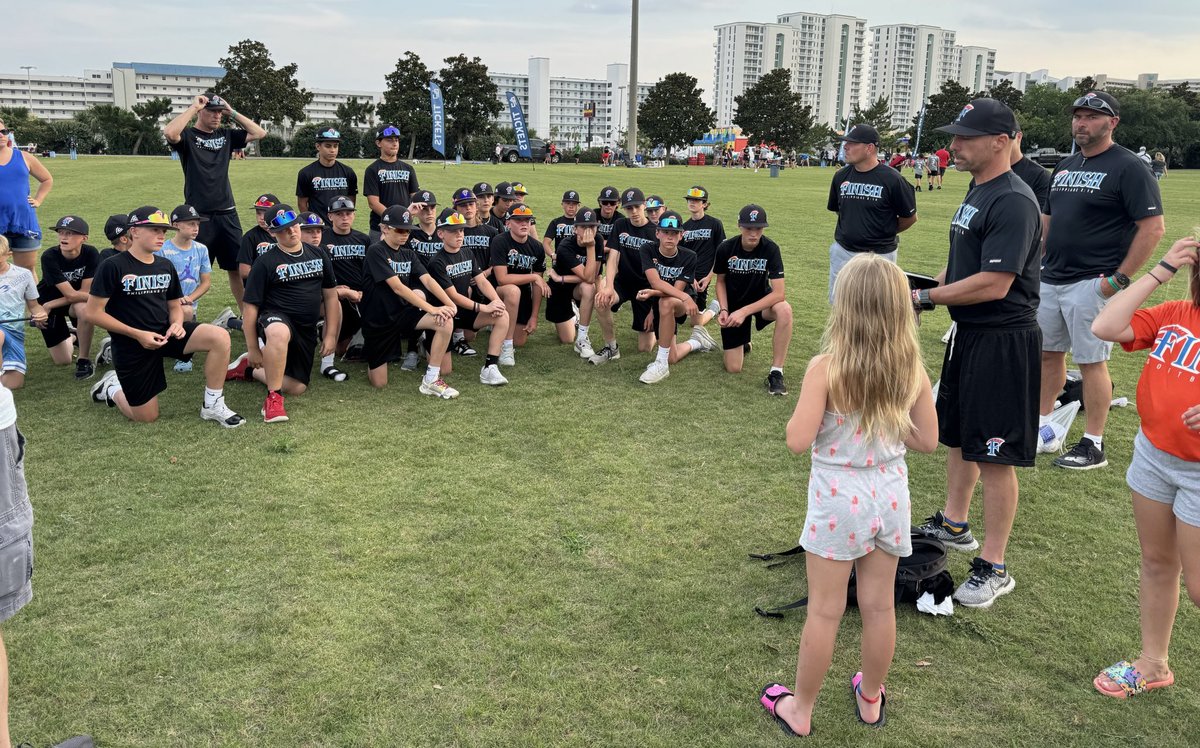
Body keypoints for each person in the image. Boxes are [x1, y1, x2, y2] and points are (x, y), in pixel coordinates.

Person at [759, 253, 938, 738]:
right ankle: (871, 696)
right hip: (889, 495)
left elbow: (797, 440)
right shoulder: (911, 370)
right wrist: (888, 417)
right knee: (879, 607)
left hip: (840, 497)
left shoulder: (826, 368)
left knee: (825, 610)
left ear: (845, 307)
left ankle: (801, 709)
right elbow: (926, 440)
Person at [913, 98, 1042, 608]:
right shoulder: (978, 187)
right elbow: (964, 265)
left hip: (1003, 340)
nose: (953, 146)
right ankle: (953, 522)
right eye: (953, 136)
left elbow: (993, 283)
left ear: (1002, 140)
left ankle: (994, 564)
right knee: (959, 437)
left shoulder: (1014, 199)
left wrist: (922, 297)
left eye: (965, 137)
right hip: (968, 334)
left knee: (994, 454)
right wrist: (933, 285)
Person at [1089, 235, 1200, 699]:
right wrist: (1162, 269)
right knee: (1158, 563)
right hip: (1154, 456)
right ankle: (1153, 662)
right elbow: (1105, 325)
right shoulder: (1176, 313)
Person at [1038, 91, 1165, 469]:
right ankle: (1044, 427)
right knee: (1047, 356)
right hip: (1051, 279)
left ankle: (1093, 443)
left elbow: (1153, 228)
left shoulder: (1128, 167)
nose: (1081, 123)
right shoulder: (1063, 166)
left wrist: (1118, 280)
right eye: (1078, 116)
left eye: (1092, 117)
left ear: (1112, 123)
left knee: (1091, 361)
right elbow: (1048, 221)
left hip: (1092, 282)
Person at [86, 206, 244, 427]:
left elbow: (174, 305)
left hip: (165, 333)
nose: (161, 236)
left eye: (163, 231)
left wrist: (178, 324)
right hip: (131, 344)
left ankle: (212, 405)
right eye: (154, 230)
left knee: (219, 337)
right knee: (146, 416)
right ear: (134, 231)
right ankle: (111, 387)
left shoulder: (164, 265)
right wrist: (137, 334)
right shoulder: (113, 266)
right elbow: (92, 312)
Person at [227, 205, 340, 423]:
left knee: (297, 387)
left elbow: (331, 297)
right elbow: (250, 308)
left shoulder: (318, 253)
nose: (292, 232)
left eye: (294, 226)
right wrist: (252, 348)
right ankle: (273, 398)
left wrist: (330, 335)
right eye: (284, 230)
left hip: (305, 327)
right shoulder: (265, 262)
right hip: (275, 317)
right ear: (272, 233)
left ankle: (248, 370)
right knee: (278, 332)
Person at [163, 94, 267, 307]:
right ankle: (186, 313)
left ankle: (247, 314)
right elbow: (170, 132)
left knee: (237, 268)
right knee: (191, 267)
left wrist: (232, 112)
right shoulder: (189, 136)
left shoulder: (226, 135)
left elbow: (259, 132)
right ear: (201, 111)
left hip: (227, 213)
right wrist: (194, 107)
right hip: (198, 217)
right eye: (212, 111)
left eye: (220, 111)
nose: (217, 115)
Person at [359, 206, 458, 395]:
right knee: (379, 383)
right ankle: (371, 353)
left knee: (446, 320)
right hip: (378, 320)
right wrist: (432, 308)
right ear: (384, 228)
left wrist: (450, 303)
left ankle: (431, 379)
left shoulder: (408, 253)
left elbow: (427, 280)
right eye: (400, 229)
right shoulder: (376, 251)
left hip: (402, 313)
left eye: (408, 230)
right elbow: (397, 287)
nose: (405, 234)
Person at [826, 124, 918, 302]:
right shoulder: (840, 177)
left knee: (877, 307)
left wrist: (882, 230)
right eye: (846, 142)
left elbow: (910, 218)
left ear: (869, 148)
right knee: (841, 305)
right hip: (844, 252)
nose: (845, 146)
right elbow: (840, 211)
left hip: (880, 255)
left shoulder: (893, 179)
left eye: (852, 143)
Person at [428, 210, 513, 386]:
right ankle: (425, 342)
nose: (459, 234)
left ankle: (490, 367)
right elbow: (452, 296)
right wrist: (484, 307)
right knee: (445, 370)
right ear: (441, 233)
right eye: (453, 231)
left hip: (465, 312)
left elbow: (482, 281)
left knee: (502, 315)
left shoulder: (467, 253)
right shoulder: (437, 261)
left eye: (461, 230)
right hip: (445, 316)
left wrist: (495, 300)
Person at [714, 205, 793, 395]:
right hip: (734, 305)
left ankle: (776, 372)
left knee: (785, 309)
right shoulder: (726, 248)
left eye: (758, 228)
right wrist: (724, 310)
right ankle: (744, 342)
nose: (753, 233)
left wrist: (745, 311)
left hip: (761, 303)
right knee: (733, 368)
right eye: (749, 228)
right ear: (740, 226)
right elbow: (720, 282)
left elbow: (779, 293)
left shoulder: (771, 248)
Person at [635, 211, 704, 384]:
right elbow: (655, 283)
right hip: (670, 298)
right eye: (665, 232)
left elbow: (676, 290)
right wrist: (652, 307)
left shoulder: (689, 256)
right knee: (672, 356)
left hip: (680, 302)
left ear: (681, 235)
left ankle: (660, 364)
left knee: (666, 302)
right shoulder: (647, 249)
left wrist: (686, 298)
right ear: (657, 233)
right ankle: (697, 342)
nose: (669, 237)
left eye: (674, 233)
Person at [591, 188, 659, 364]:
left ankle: (661, 323)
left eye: (637, 207)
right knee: (601, 300)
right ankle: (611, 348)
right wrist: (609, 286)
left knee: (645, 348)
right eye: (629, 208)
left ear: (644, 205)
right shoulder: (621, 225)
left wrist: (655, 308)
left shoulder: (656, 232)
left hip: (646, 288)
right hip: (623, 282)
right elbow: (613, 258)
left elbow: (660, 270)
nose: (634, 212)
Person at [37, 216, 99, 378]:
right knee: (62, 360)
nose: (64, 237)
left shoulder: (91, 253)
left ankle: (83, 360)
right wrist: (47, 306)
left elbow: (82, 295)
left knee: (83, 308)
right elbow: (71, 294)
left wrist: (49, 305)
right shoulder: (49, 256)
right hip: (50, 299)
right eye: (61, 232)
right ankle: (73, 335)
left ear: (84, 238)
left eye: (70, 233)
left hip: (65, 303)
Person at [489, 204, 549, 362]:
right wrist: (533, 277)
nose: (524, 223)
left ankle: (503, 329)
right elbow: (502, 278)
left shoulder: (537, 247)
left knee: (520, 341)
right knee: (512, 290)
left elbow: (538, 285)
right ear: (508, 223)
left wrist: (534, 316)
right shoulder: (500, 241)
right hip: (498, 291)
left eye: (527, 220)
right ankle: (506, 346)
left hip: (523, 295)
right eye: (518, 220)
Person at [320, 196, 370, 380]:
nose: (344, 217)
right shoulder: (322, 239)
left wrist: (365, 291)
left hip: (360, 295)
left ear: (354, 215)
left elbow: (370, 270)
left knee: (352, 350)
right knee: (341, 349)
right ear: (330, 216)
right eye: (338, 214)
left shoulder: (363, 239)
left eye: (348, 213)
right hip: (335, 296)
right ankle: (322, 327)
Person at [162, 205, 213, 373]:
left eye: (197, 224)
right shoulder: (162, 250)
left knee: (187, 311)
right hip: (163, 303)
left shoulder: (201, 249)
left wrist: (190, 297)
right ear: (176, 225)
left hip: (187, 305)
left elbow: (205, 282)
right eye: (191, 224)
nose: (196, 228)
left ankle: (184, 355)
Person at [0, 117, 53, 280]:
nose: (1, 135)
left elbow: (47, 179)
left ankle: (34, 306)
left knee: (27, 271)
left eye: (3, 131)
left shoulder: (24, 157)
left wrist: (38, 200)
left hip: (24, 222)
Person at [0, 236, 48, 389]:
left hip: (14, 333)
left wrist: (41, 314)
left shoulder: (23, 275)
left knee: (13, 385)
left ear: (8, 254)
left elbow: (34, 306)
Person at [681, 186, 726, 343]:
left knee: (696, 323)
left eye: (697, 200)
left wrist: (709, 277)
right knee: (682, 312)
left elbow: (720, 253)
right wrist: (689, 277)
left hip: (704, 277)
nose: (692, 203)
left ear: (705, 204)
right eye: (690, 200)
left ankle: (714, 309)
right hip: (689, 276)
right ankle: (713, 307)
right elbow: (683, 257)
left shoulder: (715, 224)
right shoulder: (684, 227)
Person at [363, 123, 420, 243]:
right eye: (389, 140)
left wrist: (403, 218)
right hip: (382, 228)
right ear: (378, 143)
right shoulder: (372, 170)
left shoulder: (408, 168)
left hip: (404, 227)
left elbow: (415, 197)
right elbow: (373, 203)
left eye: (396, 140)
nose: (394, 143)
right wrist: (393, 220)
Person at [295, 127, 358, 224]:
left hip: (340, 226)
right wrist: (312, 222)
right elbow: (302, 203)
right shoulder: (306, 173)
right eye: (328, 146)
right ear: (318, 146)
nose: (332, 150)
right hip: (319, 227)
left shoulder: (348, 172)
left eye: (335, 146)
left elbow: (351, 201)